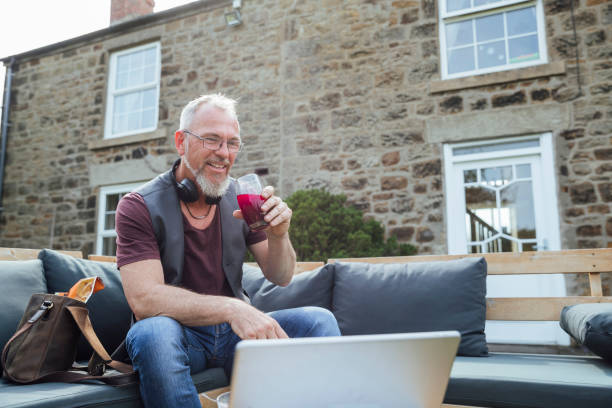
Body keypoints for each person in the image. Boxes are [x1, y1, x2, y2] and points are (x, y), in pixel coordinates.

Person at [115, 94, 340, 408]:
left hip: (235, 337)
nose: (224, 153)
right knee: (153, 332)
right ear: (181, 142)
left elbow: (282, 275)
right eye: (212, 140)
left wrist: (279, 235)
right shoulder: (137, 205)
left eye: (232, 143)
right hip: (181, 338)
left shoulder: (242, 196)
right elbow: (144, 299)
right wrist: (234, 309)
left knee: (318, 321)